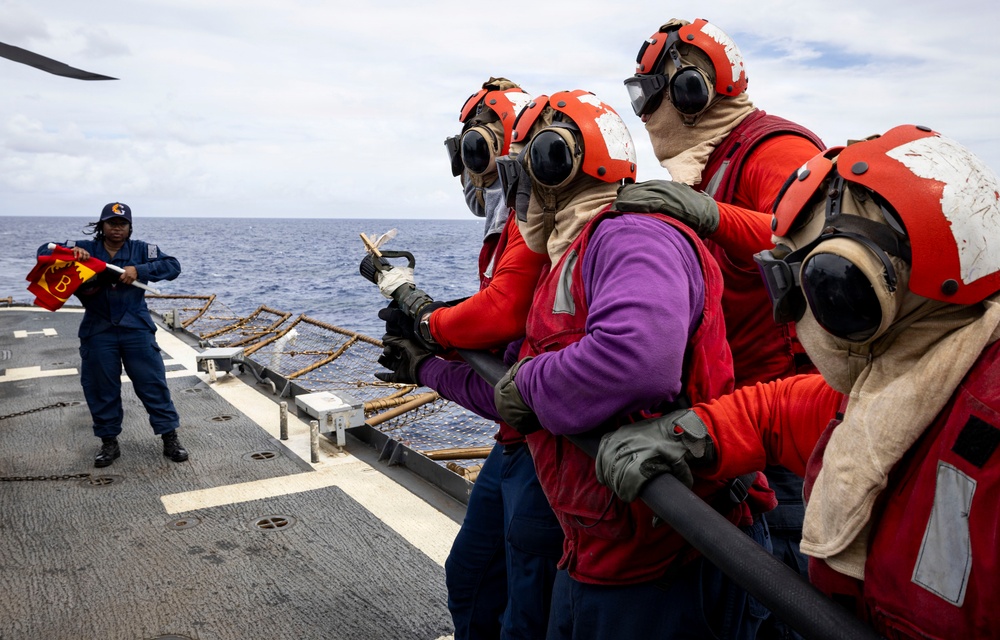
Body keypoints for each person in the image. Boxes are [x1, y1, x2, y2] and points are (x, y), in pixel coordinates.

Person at [379, 89, 775, 639]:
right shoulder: (572, 255)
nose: (512, 190)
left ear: (553, 163)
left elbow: (633, 361)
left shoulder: (631, 235)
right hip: (599, 540)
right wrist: (429, 369)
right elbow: (521, 389)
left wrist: (523, 379)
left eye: (519, 171)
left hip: (659, 554)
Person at [596, 124, 1000, 638]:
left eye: (808, 282)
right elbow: (785, 411)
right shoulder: (917, 383)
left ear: (857, 287)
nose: (791, 315)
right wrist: (695, 431)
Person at [617, 18, 826, 626]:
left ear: (691, 91)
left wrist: (706, 212)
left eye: (651, 94)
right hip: (741, 407)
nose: (646, 111)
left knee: (785, 591)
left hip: (782, 419)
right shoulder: (715, 157)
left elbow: (809, 238)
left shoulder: (775, 151)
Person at [374, 77, 560, 640]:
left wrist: (426, 322)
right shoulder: (508, 226)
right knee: (472, 578)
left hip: (543, 453)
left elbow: (502, 315)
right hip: (513, 443)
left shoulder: (534, 227)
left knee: (528, 606)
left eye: (472, 155)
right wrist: (430, 323)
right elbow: (499, 321)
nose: (468, 173)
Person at [38, 202, 186, 468]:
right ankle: (109, 443)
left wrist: (139, 270)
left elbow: (173, 266)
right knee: (100, 388)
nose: (117, 228)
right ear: (102, 226)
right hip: (98, 330)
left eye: (122, 224)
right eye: (111, 223)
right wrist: (70, 253)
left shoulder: (143, 250)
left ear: (129, 227)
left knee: (152, 384)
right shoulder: (86, 248)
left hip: (136, 329)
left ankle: (170, 438)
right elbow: (43, 250)